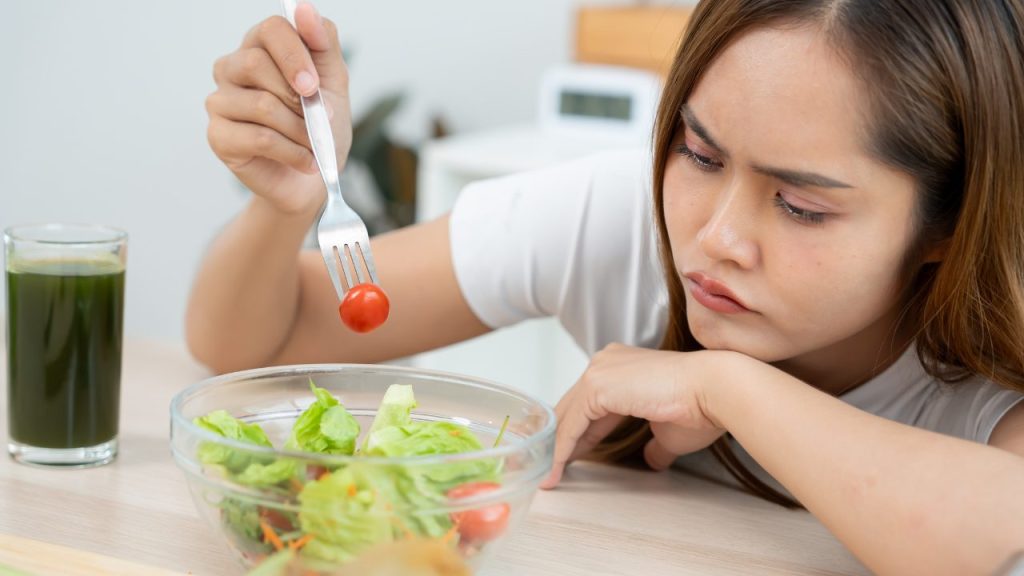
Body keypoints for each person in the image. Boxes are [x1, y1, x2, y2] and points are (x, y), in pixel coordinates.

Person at [187, 1, 1024, 573]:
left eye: (800, 205)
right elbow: (254, 341)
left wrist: (726, 386)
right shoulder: (616, 213)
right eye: (698, 154)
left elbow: (995, 530)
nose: (716, 237)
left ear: (947, 225)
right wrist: (288, 201)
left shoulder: (994, 350)